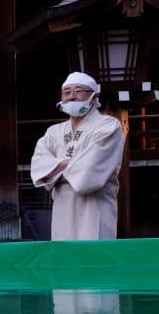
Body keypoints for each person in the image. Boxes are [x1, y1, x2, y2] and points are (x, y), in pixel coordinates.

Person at [30, 72, 124, 240]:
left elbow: (90, 173)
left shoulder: (109, 126)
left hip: (95, 210)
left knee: (94, 259)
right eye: (66, 92)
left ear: (94, 97)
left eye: (79, 91)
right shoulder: (53, 132)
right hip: (61, 211)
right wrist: (76, 165)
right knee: (65, 262)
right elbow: (39, 168)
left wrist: (54, 172)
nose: (72, 97)